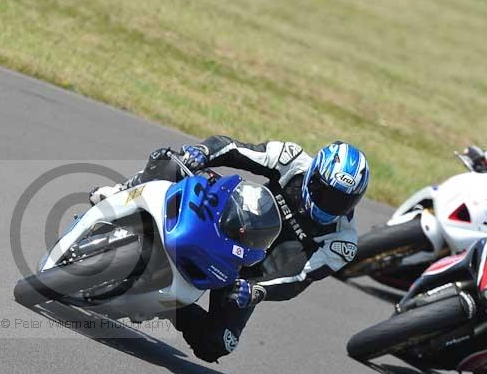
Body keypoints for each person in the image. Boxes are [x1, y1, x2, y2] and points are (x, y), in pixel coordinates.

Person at [91, 137, 370, 362]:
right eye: (325, 193)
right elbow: (235, 149)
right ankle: (120, 194)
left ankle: (168, 305)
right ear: (313, 174)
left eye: (341, 201)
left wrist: (259, 290)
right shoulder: (292, 160)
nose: (329, 205)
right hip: (225, 218)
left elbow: (299, 278)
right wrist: (202, 153)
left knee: (217, 343)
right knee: (171, 162)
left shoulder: (342, 241)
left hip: (248, 273)